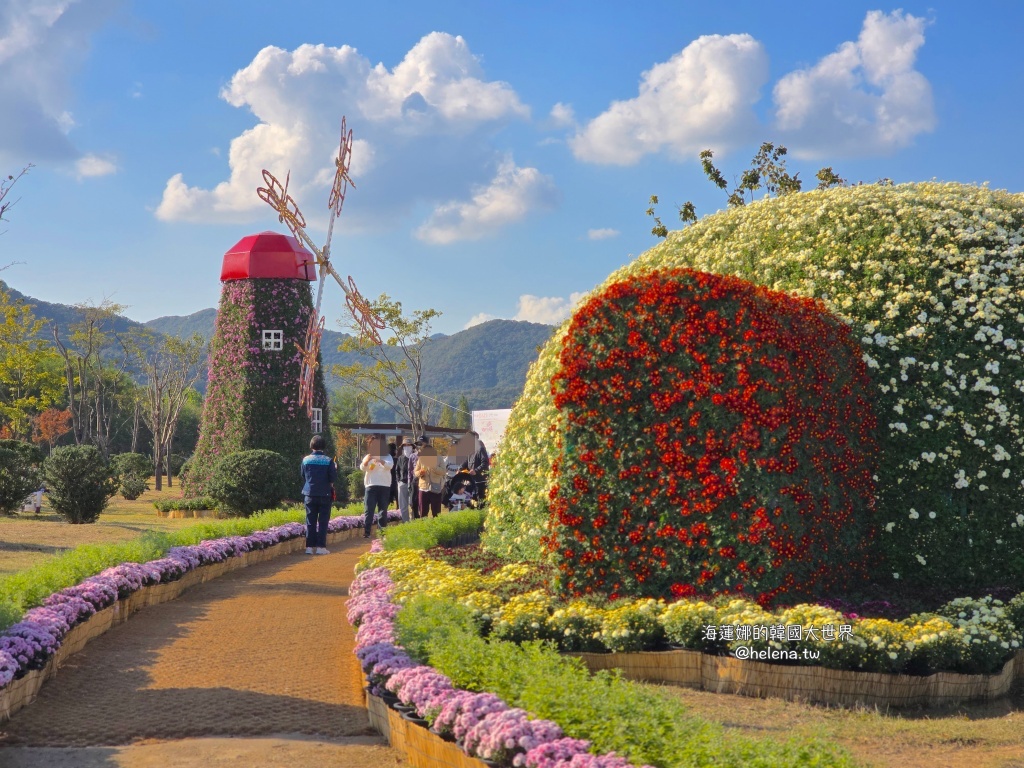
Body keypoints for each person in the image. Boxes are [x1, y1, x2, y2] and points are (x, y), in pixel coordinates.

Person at [300, 435, 337, 555]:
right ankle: (321, 547)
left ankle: (309, 547)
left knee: (310, 521)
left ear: (311, 446)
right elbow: (332, 478)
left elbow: (303, 475)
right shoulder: (329, 460)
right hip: (325, 493)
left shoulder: (306, 460)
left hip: (309, 493)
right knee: (323, 521)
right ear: (323, 446)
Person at [360, 434, 394, 538]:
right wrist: (366, 461)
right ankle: (367, 532)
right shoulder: (368, 456)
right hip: (371, 485)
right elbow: (362, 468)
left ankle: (381, 533)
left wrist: (380, 460)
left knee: (382, 510)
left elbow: (390, 466)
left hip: (384, 486)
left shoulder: (387, 456)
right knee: (369, 510)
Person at [414, 444, 446, 519]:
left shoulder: (439, 458)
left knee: (436, 513)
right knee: (423, 512)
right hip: (423, 488)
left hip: (435, 488)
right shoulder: (421, 459)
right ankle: (424, 528)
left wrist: (433, 466)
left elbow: (443, 471)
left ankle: (436, 528)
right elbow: (415, 472)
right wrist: (420, 473)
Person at [395, 436, 415, 523]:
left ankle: (414, 521)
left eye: (409, 445)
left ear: (412, 446)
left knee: (413, 503)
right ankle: (405, 522)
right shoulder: (400, 458)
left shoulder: (416, 457)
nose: (407, 447)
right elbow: (397, 470)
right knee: (403, 505)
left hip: (413, 484)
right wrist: (399, 480)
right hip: (402, 483)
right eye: (405, 445)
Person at [469, 432, 490, 502]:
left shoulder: (480, 449)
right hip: (473, 481)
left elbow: (485, 463)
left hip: (481, 481)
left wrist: (476, 470)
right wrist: (460, 468)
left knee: (482, 502)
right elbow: (466, 462)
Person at [387, 441, 399, 510]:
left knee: (387, 503)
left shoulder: (385, 460)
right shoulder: (397, 460)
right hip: (396, 483)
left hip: (387, 483)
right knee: (398, 503)